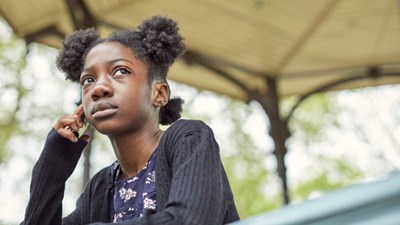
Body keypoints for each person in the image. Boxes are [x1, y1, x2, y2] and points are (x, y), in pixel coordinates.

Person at [21, 16, 239, 225]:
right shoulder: (100, 187)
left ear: (159, 94)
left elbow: (190, 220)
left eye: (120, 71)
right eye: (88, 79)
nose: (98, 88)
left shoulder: (188, 138)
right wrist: (54, 160)